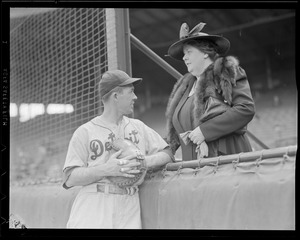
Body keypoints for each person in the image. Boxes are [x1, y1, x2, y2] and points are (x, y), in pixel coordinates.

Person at [62, 69, 174, 229]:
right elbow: (70, 178)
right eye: (131, 92)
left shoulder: (138, 127)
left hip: (130, 204)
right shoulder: (85, 131)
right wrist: (106, 169)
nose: (135, 97)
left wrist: (143, 161)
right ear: (115, 96)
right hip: (95, 203)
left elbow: (168, 152)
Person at [165, 22, 255, 160]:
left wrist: (204, 131)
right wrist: (159, 152)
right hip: (194, 170)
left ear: (205, 53)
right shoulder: (183, 87)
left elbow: (245, 109)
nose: (184, 57)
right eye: (184, 54)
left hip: (229, 162)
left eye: (189, 52)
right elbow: (174, 137)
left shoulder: (226, 71)